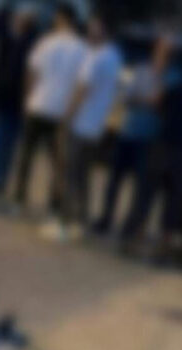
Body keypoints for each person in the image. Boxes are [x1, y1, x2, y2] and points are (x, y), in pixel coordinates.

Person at [120, 53, 182, 260]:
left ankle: (133, 235)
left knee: (146, 194)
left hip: (163, 146)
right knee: (174, 201)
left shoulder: (178, 88)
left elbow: (158, 104)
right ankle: (164, 243)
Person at [45, 14, 121, 241]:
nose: (89, 32)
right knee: (82, 175)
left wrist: (67, 117)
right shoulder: (114, 56)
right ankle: (81, 221)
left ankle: (64, 223)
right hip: (95, 126)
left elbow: (82, 89)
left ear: (103, 31)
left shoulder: (96, 57)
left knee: (68, 174)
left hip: (79, 124)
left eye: (94, 29)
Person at [13, 3, 86, 212]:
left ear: (60, 19)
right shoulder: (81, 48)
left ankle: (20, 196)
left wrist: (27, 99)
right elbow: (81, 82)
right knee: (57, 161)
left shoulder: (46, 42)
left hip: (39, 103)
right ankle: (55, 201)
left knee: (27, 154)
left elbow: (31, 71)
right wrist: (73, 110)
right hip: (60, 110)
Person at [93, 38, 171, 235]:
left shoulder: (172, 77)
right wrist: (147, 101)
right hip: (129, 132)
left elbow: (169, 108)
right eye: (163, 50)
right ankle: (106, 217)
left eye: (169, 52)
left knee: (140, 186)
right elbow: (126, 97)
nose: (165, 55)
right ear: (156, 50)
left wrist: (158, 104)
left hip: (150, 139)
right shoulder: (141, 70)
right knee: (114, 180)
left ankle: (131, 225)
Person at [0, 5, 38, 195]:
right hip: (2, 98)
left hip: (14, 101)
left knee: (4, 144)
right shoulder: (9, 38)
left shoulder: (29, 44)